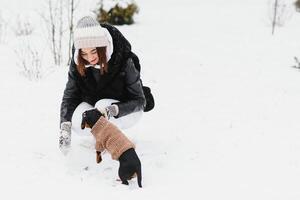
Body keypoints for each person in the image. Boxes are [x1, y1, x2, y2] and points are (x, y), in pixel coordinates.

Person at [59, 15, 148, 153]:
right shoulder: (78, 62)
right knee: (77, 120)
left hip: (126, 110)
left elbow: (140, 101)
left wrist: (113, 110)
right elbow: (70, 96)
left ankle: (118, 147)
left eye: (94, 51)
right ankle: (101, 139)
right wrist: (64, 126)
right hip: (96, 108)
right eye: (84, 53)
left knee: (102, 106)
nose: (90, 58)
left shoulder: (124, 59)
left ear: (102, 45)